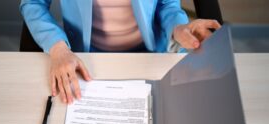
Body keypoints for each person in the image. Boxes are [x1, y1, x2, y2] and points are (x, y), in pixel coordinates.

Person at [20, 0, 221, 104]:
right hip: (86, 63)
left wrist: (179, 29)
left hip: (151, 59)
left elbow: (167, 5)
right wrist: (58, 48)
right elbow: (33, 3)